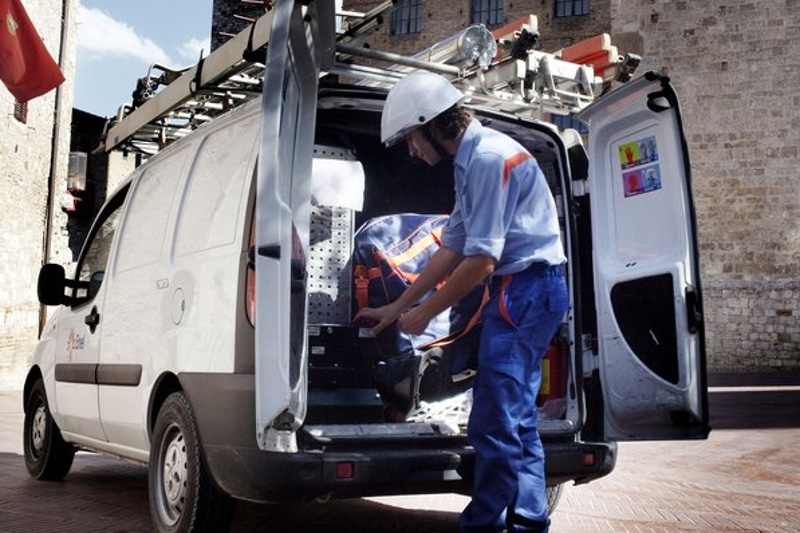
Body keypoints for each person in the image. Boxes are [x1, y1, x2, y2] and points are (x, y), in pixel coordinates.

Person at [354, 71, 569, 533]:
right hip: (525, 290)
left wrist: (425, 314)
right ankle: (528, 521)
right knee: (517, 417)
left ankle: (486, 525)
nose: (411, 150)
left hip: (526, 289)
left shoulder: (489, 158)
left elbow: (480, 262)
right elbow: (450, 247)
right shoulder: (472, 159)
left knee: (493, 419)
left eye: (411, 138)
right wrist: (397, 309)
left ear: (433, 123)